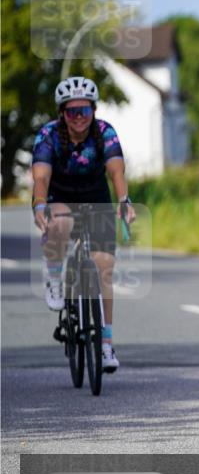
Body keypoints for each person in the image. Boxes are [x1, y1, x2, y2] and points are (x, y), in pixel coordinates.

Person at [31, 76, 134, 372]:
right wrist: (40, 204)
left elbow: (116, 172)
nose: (79, 117)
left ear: (94, 110)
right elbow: (41, 177)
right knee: (61, 221)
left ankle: (106, 344)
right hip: (58, 197)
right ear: (62, 113)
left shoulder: (105, 132)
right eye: (72, 111)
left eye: (85, 110)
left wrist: (123, 200)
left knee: (104, 267)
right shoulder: (48, 135)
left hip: (95, 199)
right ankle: (54, 278)